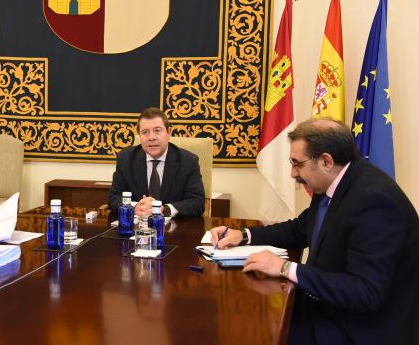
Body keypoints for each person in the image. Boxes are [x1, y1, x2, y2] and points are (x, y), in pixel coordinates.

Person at [210, 118, 419, 344]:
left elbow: (365, 292)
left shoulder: (373, 202)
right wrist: (243, 235)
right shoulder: (336, 181)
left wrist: (284, 267)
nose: (292, 173)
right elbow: (300, 228)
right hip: (328, 304)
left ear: (326, 161)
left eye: (297, 164)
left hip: (360, 328)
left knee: (254, 331)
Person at [108, 107, 205, 217]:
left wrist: (163, 210)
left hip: (173, 229)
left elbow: (197, 203)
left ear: (169, 132)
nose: (151, 137)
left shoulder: (188, 161)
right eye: (145, 132)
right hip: (137, 228)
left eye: (157, 131)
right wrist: (136, 207)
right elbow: (114, 198)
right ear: (139, 135)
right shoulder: (125, 158)